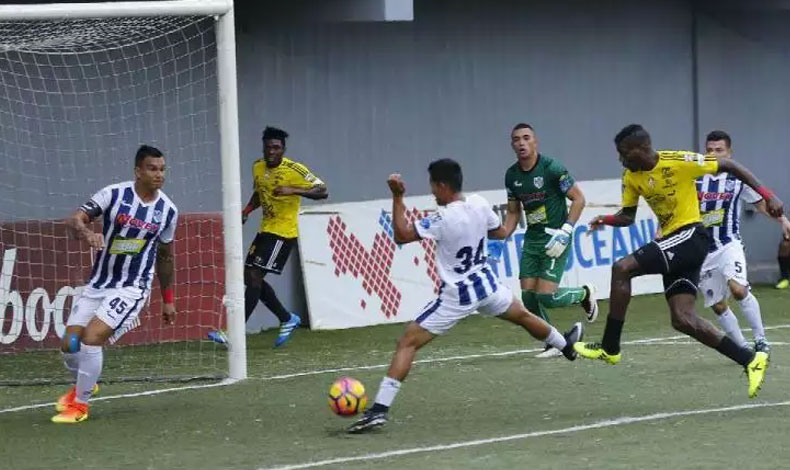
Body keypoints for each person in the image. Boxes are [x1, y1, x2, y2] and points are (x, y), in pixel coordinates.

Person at [347, 159, 583, 433]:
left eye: (434, 187)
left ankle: (378, 410)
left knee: (407, 343)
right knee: (522, 315)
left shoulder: (442, 218)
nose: (433, 193)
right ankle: (564, 345)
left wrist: (398, 196)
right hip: (485, 284)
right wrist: (513, 209)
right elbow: (501, 231)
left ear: (443, 186)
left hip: (457, 295)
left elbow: (401, 235)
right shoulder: (480, 204)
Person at [574, 124, 783, 398]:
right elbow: (628, 216)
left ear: (641, 149)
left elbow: (729, 165)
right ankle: (749, 359)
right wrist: (607, 220)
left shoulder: (678, 162)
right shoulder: (631, 176)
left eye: (624, 153)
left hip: (691, 236)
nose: (620, 159)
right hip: (676, 243)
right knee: (682, 319)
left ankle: (609, 346)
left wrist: (768, 196)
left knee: (621, 268)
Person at [54, 145, 178, 423]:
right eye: (151, 168)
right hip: (99, 283)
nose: (158, 174)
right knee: (69, 344)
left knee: (92, 338)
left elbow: (166, 255)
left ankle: (80, 405)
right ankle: (88, 383)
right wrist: (87, 233)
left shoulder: (168, 210)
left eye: (162, 169)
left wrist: (168, 299)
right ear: (137, 171)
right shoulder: (113, 195)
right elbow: (75, 219)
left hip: (132, 286)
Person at [208, 126, 327, 347]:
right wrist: (246, 211)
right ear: (263, 146)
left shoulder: (295, 169)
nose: (272, 151)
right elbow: (259, 193)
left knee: (254, 277)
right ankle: (286, 318)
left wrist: (293, 190)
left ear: (283, 149)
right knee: (248, 277)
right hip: (265, 229)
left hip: (283, 233)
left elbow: (323, 190)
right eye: (268, 146)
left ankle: (233, 331)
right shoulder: (258, 167)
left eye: (276, 147)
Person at [497, 123, 598, 358]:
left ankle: (584, 293)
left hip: (556, 239)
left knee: (546, 296)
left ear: (535, 142)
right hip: (532, 240)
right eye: (516, 140)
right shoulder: (512, 175)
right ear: (512, 145)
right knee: (528, 298)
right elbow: (513, 213)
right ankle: (555, 342)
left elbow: (579, 199)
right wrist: (501, 236)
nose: (521, 143)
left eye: (526, 138)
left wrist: (566, 230)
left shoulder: (552, 168)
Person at [697, 130, 790, 351]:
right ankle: (742, 348)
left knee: (738, 289)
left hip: (729, 244)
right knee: (718, 306)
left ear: (729, 152)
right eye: (709, 150)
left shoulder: (738, 179)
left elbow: (760, 204)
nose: (713, 154)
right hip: (702, 251)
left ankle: (761, 340)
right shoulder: (696, 178)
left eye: (719, 150)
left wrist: (783, 220)